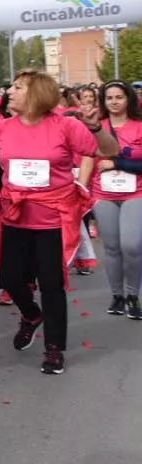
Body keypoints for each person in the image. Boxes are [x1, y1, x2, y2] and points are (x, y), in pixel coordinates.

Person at [0, 71, 114, 374]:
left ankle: (54, 349)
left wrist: (95, 127)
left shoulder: (66, 125)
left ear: (37, 94)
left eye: (17, 88)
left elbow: (108, 150)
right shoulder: (3, 128)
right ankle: (30, 315)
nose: (10, 92)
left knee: (52, 285)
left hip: (53, 219)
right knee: (10, 279)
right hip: (16, 216)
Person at [93, 80, 142, 319]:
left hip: (136, 193)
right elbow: (82, 158)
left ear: (128, 99)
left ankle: (133, 295)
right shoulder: (95, 127)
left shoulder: (139, 126)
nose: (113, 102)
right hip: (103, 195)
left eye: (119, 97)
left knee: (131, 246)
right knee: (112, 248)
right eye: (109, 97)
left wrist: (117, 163)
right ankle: (117, 296)